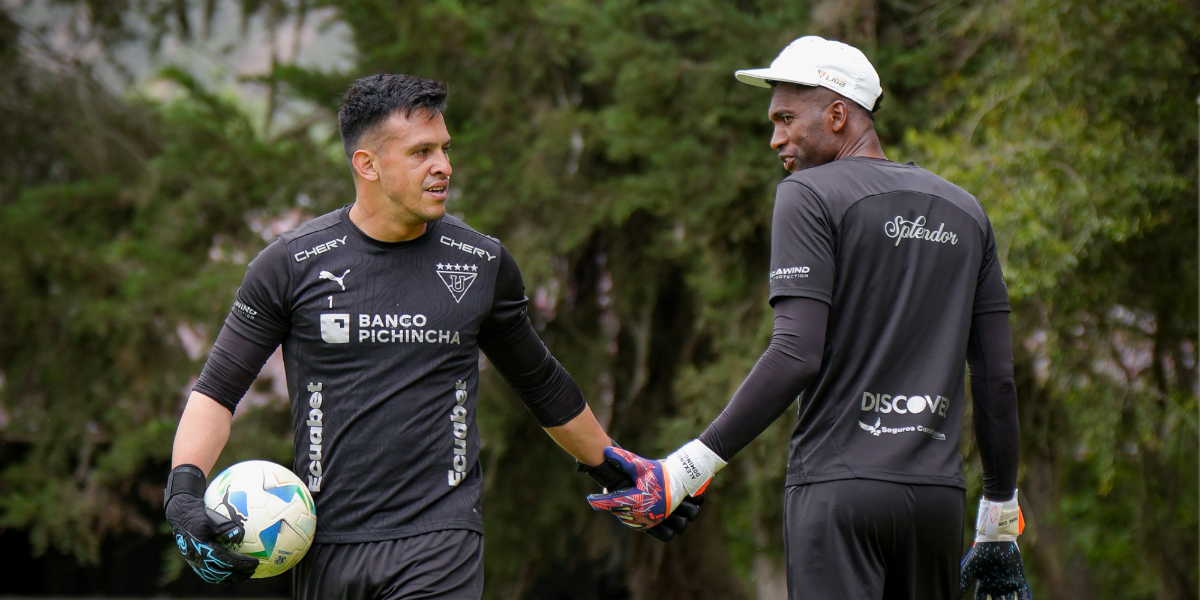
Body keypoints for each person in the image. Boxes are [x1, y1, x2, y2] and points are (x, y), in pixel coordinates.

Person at [162, 73, 695, 600]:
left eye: (444, 148)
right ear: (367, 165)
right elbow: (217, 391)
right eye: (421, 152)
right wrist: (183, 491)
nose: (444, 166)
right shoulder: (291, 265)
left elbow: (541, 383)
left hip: (441, 539)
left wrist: (612, 467)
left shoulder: (482, 263)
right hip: (326, 544)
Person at [586, 36, 1033, 600]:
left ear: (839, 114)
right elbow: (997, 377)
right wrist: (998, 519)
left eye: (786, 118)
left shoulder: (808, 194)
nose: (775, 138)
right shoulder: (966, 211)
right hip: (936, 502)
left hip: (837, 493)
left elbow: (796, 353)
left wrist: (686, 469)